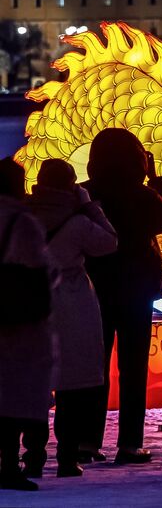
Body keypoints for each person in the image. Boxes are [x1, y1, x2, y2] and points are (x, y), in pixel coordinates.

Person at [82, 129, 162, 464]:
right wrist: (157, 179)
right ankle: (129, 443)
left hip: (94, 289)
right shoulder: (141, 195)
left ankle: (87, 441)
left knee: (94, 366)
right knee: (133, 368)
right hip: (136, 290)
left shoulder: (85, 194)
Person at [23, 160, 116, 479]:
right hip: (72, 303)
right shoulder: (78, 222)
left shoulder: (24, 216)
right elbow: (109, 243)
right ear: (71, 185)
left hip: (30, 303)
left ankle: (33, 454)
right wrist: (90, 207)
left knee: (32, 382)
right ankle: (66, 457)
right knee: (71, 388)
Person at [0, 157, 55, 492]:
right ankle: (9, 463)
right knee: (14, 394)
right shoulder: (22, 221)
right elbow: (39, 269)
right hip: (16, 319)